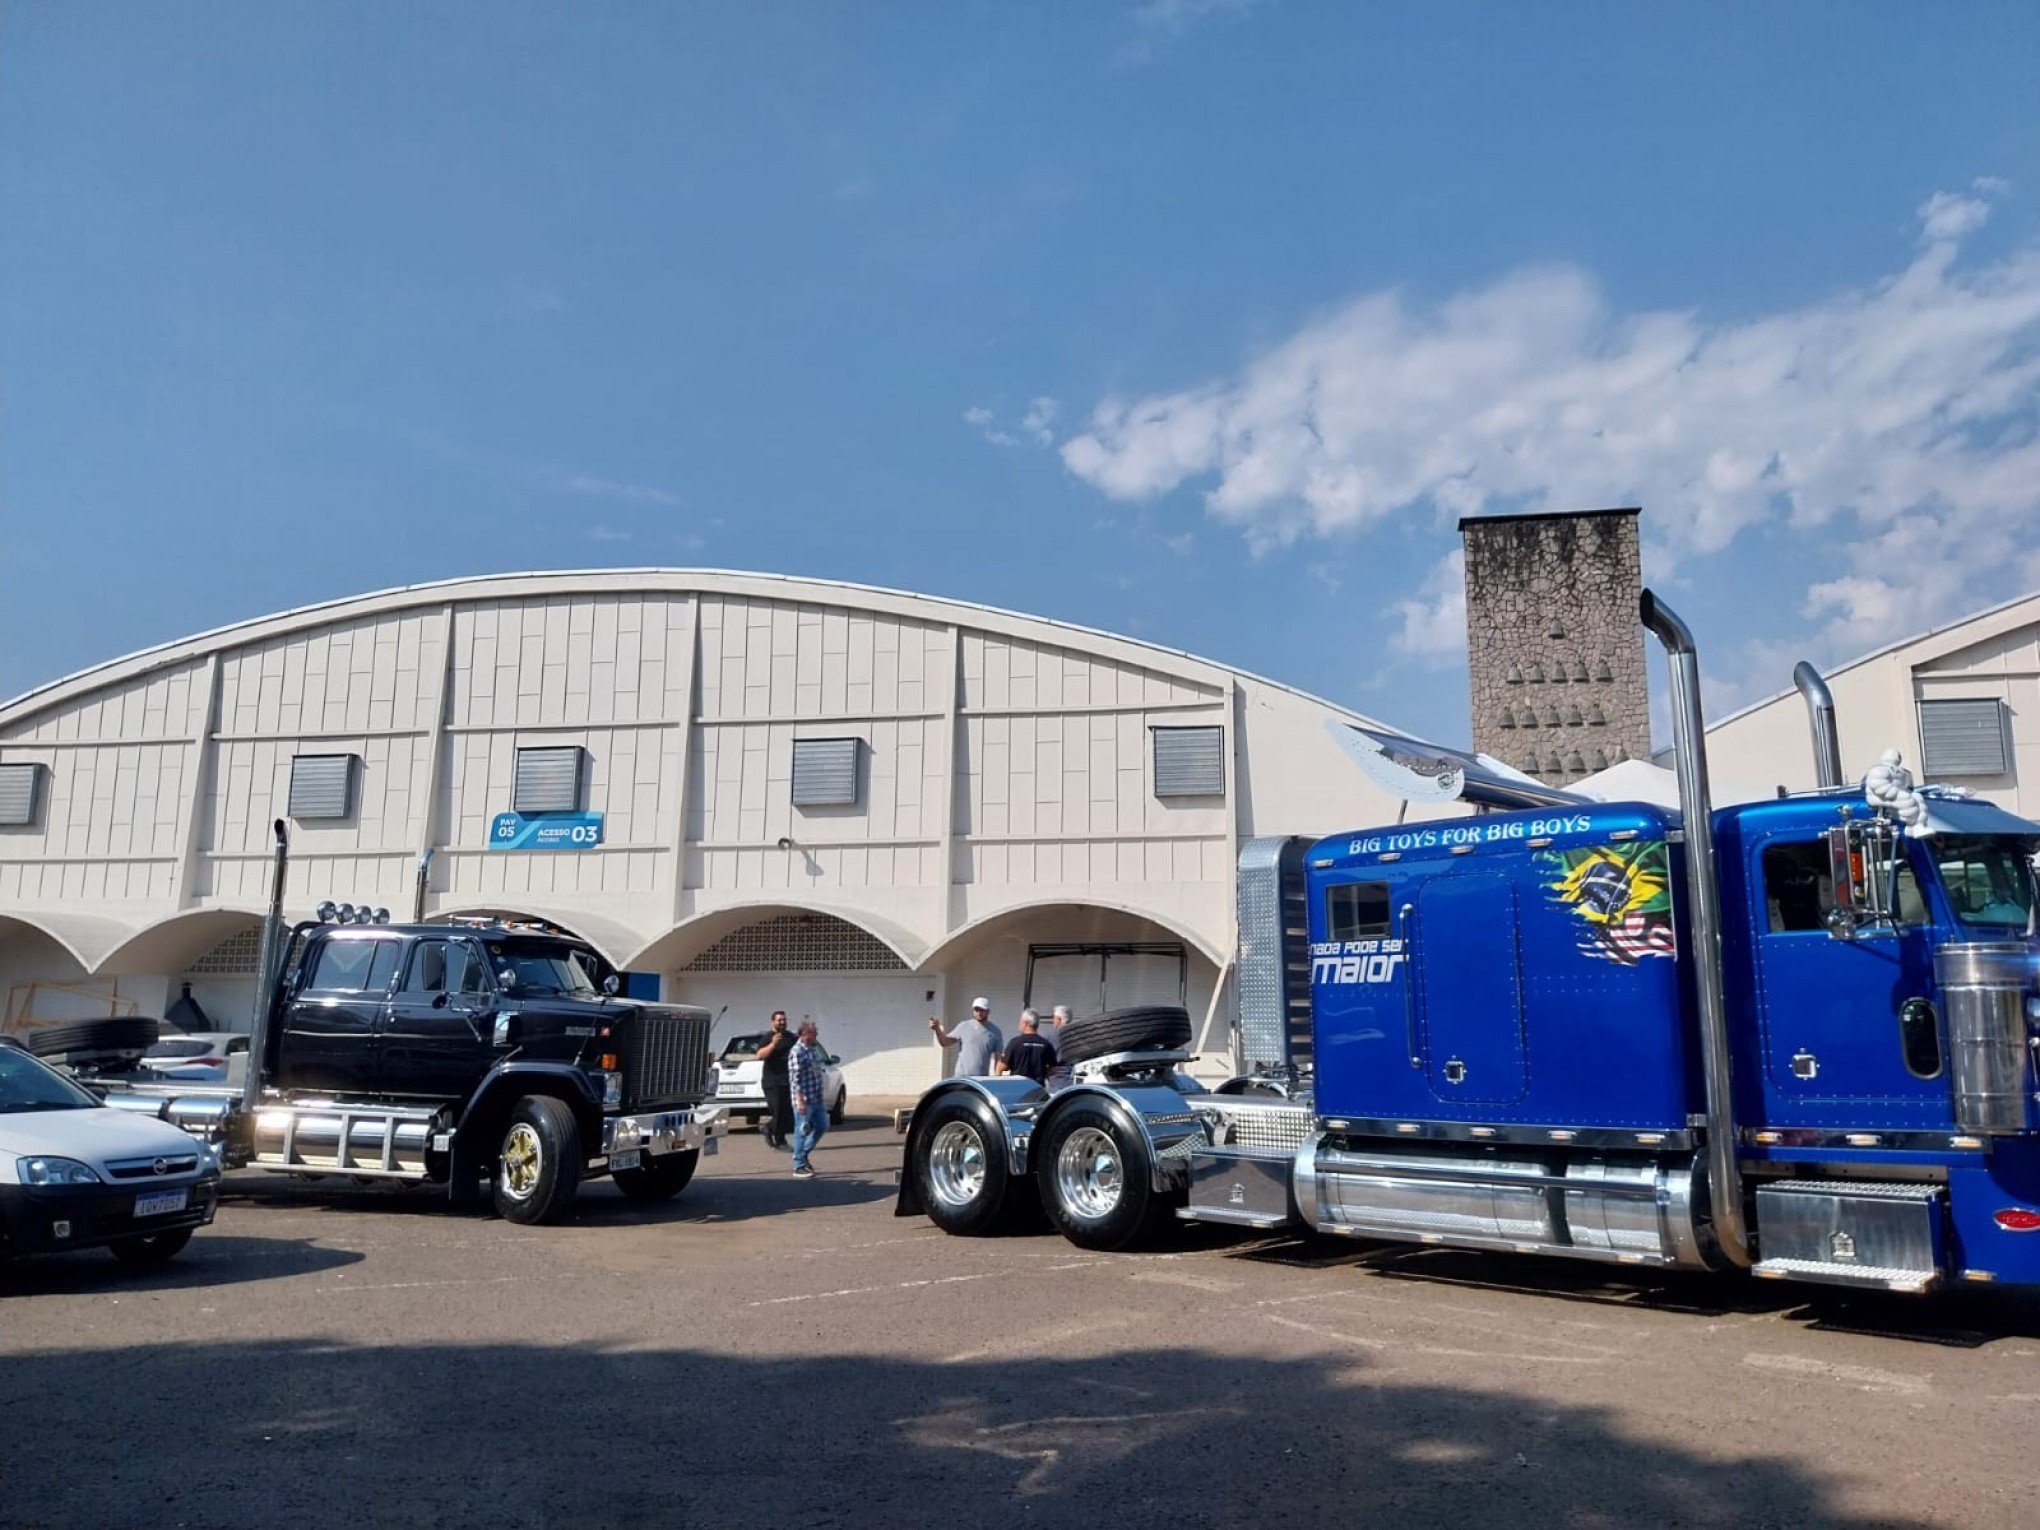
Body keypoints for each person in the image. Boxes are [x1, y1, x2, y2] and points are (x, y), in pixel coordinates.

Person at [788, 1019, 829, 1176]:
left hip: (816, 1098)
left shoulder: (811, 1049)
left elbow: (816, 1072)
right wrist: (799, 1100)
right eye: (814, 1033)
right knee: (801, 1130)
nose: (816, 1036)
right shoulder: (797, 1052)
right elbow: (795, 1078)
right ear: (804, 1034)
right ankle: (798, 1164)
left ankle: (803, 1153)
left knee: (822, 1125)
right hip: (804, 1100)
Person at [928, 998, 1003, 1077]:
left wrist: (997, 1079)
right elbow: (945, 1042)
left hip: (980, 1081)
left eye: (982, 1010)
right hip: (961, 1078)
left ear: (988, 1011)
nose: (979, 1012)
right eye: (976, 1010)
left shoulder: (995, 1032)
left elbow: (998, 1059)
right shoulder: (964, 1026)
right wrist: (937, 1029)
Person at [756, 1010, 796, 1149]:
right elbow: (760, 1055)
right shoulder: (767, 1037)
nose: (782, 1022)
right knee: (778, 1110)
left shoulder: (791, 1037)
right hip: (772, 1081)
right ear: (773, 1022)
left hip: (788, 1080)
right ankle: (780, 1141)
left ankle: (768, 1128)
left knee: (787, 1112)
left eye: (784, 1020)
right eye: (779, 1020)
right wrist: (773, 1044)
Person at [997, 1009, 1057, 1084]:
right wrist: (1042, 1072)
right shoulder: (1046, 1044)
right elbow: (1054, 1070)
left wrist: (997, 1085)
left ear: (1024, 1023)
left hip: (1017, 1087)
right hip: (1037, 1088)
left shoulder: (1015, 1043)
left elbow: (1001, 1067)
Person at [1044, 1004, 1074, 1090]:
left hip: (1055, 1076)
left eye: (1054, 1017)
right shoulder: (1076, 1034)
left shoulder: (1050, 1035)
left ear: (1059, 1019)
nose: (1052, 1020)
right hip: (1072, 1075)